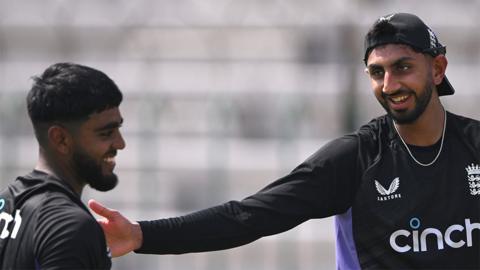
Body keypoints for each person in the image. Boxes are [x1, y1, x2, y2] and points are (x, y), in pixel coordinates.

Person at [89, 13, 480, 269]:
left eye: (403, 68)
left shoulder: (474, 144)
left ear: (438, 68)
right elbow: (249, 216)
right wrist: (142, 235)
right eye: (377, 73)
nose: (389, 85)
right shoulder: (356, 158)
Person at [0, 62, 126, 269]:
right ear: (61, 139)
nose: (121, 143)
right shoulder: (69, 226)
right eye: (106, 133)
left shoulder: (6, 202)